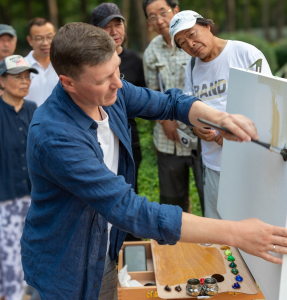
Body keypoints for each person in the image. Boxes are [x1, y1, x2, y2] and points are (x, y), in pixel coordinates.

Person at [20, 23, 287, 300]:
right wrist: (236, 233)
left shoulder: (112, 92)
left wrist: (220, 118)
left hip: (103, 250)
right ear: (68, 83)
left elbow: (170, 104)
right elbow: (127, 208)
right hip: (64, 268)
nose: (118, 84)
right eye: (103, 79)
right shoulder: (55, 136)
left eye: (117, 70)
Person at [169, 10, 273, 219]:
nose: (190, 44)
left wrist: (226, 136)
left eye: (191, 34)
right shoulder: (191, 67)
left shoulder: (245, 53)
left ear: (206, 26)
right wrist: (194, 126)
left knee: (255, 225)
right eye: (182, 43)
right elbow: (190, 106)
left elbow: (268, 104)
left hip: (249, 162)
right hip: (213, 165)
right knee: (219, 233)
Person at [143, 0, 204, 213]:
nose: (159, 21)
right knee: (172, 202)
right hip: (167, 138)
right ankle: (176, 245)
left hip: (200, 135)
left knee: (208, 196)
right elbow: (153, 91)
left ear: (176, 10)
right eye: (152, 17)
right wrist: (165, 120)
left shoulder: (193, 42)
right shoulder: (151, 52)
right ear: (149, 23)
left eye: (163, 12)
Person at [92, 2, 145, 241]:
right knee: (103, 196)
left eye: (118, 24)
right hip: (98, 138)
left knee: (130, 194)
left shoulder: (135, 60)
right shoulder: (90, 63)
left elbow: (144, 99)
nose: (114, 31)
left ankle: (129, 246)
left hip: (128, 138)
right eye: (107, 26)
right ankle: (105, 244)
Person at [0, 55, 37, 300]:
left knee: (29, 255)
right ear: (3, 81)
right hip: (1, 198)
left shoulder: (34, 110)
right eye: (18, 77)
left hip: (33, 198)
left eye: (27, 76)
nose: (24, 81)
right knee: (4, 257)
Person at [25, 17, 58, 106]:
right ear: (30, 40)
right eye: (39, 38)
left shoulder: (63, 65)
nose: (45, 43)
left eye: (49, 37)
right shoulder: (21, 67)